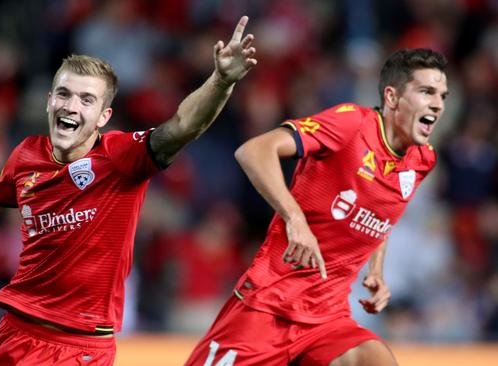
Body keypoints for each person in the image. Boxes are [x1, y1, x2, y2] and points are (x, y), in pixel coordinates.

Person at [0, 16, 257, 365]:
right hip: (12, 334)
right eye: (63, 94)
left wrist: (220, 81)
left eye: (86, 99)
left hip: (79, 347)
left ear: (102, 116)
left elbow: (183, 126)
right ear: (48, 101)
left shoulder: (120, 157)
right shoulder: (26, 156)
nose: (71, 106)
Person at [184, 48, 448, 366]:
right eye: (427, 92)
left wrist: (376, 269)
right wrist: (295, 218)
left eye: (443, 96)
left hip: (328, 318)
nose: (438, 104)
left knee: (376, 361)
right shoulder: (352, 124)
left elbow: (380, 208)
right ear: (391, 97)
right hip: (270, 307)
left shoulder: (422, 160)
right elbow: (253, 151)